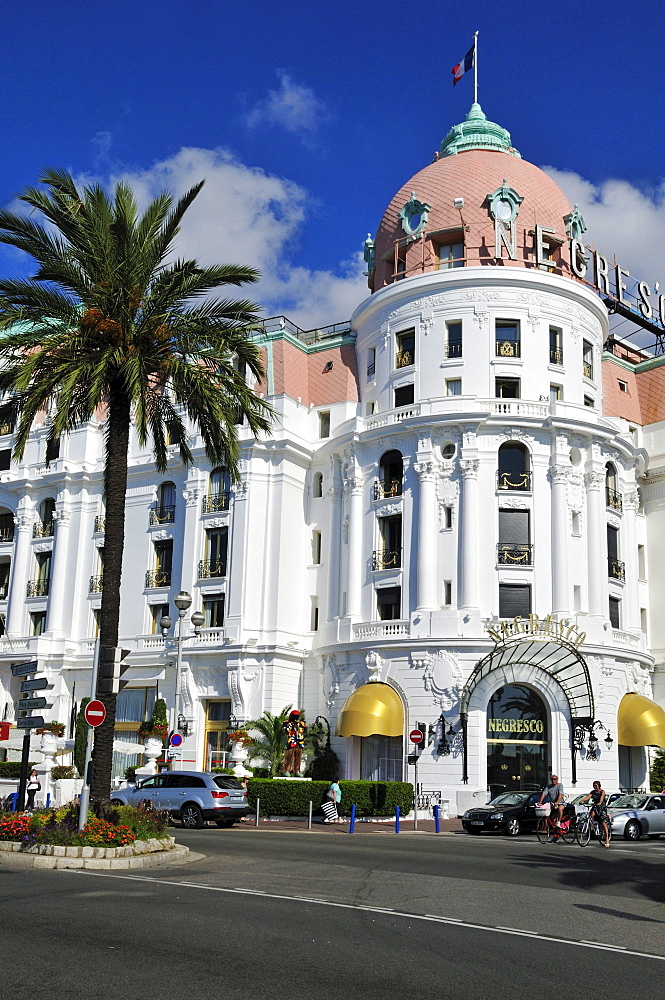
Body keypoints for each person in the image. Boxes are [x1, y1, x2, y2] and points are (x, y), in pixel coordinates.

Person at [579, 780, 611, 847]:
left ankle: (607, 839)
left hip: (601, 807)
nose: (595, 787)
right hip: (595, 806)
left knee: (603, 822)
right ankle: (593, 827)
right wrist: (582, 800)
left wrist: (600, 802)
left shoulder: (602, 791)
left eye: (596, 785)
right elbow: (588, 797)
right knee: (591, 814)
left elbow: (602, 798)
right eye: (594, 785)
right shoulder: (593, 792)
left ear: (599, 786)